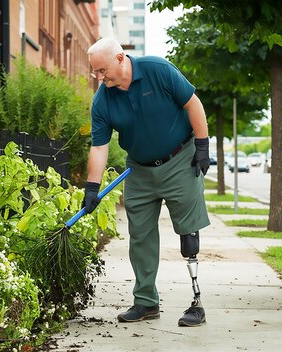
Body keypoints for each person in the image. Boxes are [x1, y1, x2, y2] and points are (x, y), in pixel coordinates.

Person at [83, 37, 210, 327]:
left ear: (119, 58)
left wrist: (202, 146)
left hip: (180, 159)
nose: (100, 78)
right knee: (140, 237)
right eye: (95, 73)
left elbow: (193, 104)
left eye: (102, 71)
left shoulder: (157, 70)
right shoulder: (102, 100)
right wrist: (92, 188)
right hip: (139, 170)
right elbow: (99, 146)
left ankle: (196, 301)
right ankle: (145, 302)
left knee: (188, 233)